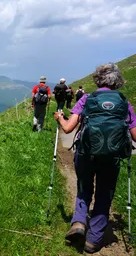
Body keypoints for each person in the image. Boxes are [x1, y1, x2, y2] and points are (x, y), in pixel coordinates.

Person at [54, 63, 136, 253]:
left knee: (84, 188)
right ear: (118, 81)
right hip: (112, 158)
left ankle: (79, 223)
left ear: (97, 79)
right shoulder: (125, 103)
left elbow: (68, 128)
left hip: (86, 153)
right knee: (104, 194)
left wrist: (59, 117)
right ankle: (94, 240)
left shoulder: (87, 100)